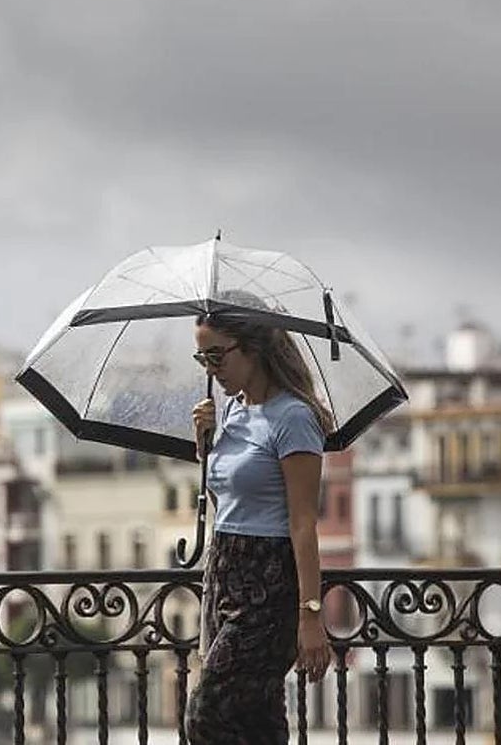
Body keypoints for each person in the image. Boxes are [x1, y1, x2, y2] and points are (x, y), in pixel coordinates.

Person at [185, 304, 334, 744]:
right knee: (257, 722)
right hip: (225, 570)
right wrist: (204, 446)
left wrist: (310, 615)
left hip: (268, 582)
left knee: (205, 716)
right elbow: (227, 499)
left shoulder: (294, 418)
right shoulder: (229, 412)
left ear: (253, 349)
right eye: (202, 359)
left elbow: (304, 522)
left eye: (217, 356)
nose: (212, 369)